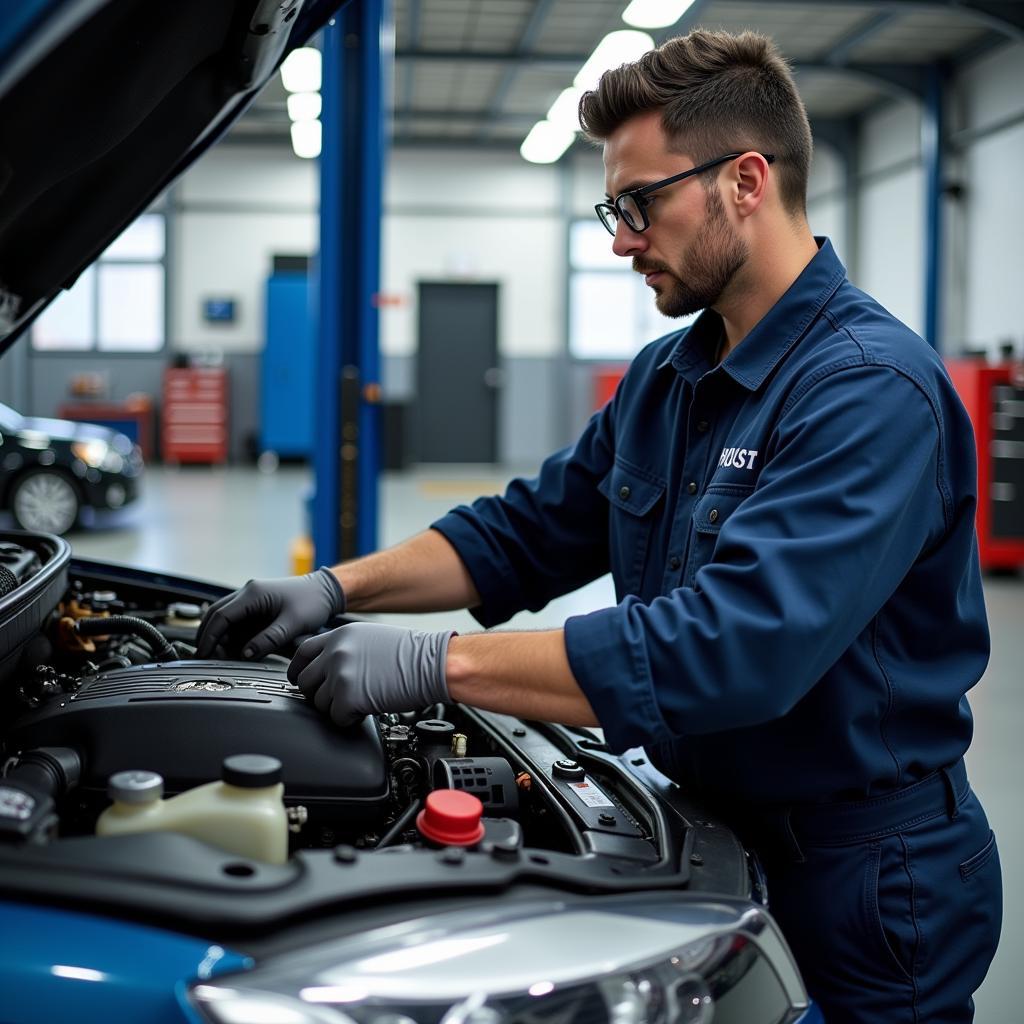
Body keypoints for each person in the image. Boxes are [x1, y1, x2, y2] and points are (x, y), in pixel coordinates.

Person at [196, 29, 1002, 1023]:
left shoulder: (869, 393)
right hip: (710, 827)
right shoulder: (669, 378)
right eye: (610, 210)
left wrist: (429, 665)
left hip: (863, 880)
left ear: (745, 181)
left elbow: (732, 649)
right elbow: (523, 532)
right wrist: (335, 588)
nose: (621, 240)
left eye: (639, 204)